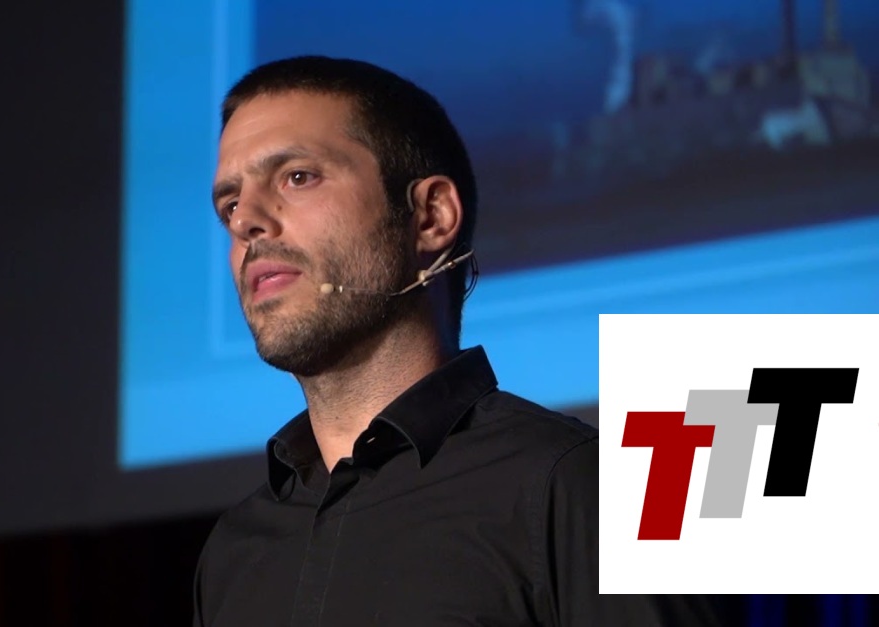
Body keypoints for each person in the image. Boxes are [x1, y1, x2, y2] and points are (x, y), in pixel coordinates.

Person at [193, 56, 722, 626]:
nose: (246, 221)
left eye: (298, 177)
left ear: (431, 217)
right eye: (230, 204)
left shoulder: (574, 486)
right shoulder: (234, 553)